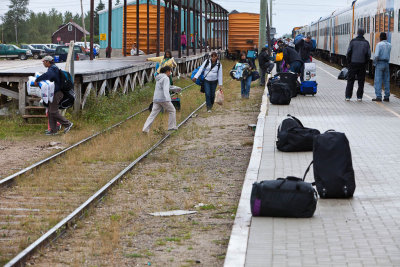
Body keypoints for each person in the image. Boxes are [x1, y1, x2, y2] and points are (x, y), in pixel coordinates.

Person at [34, 56, 73, 136]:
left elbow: (48, 75)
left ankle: (67, 124)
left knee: (53, 111)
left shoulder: (53, 69)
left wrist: (37, 80)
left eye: (44, 62)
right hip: (53, 93)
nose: (43, 63)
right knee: (51, 111)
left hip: (57, 93)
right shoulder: (53, 68)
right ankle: (53, 130)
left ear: (48, 62)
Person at [142, 66, 177, 133]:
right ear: (167, 71)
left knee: (152, 114)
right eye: (170, 71)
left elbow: (161, 88)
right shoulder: (166, 78)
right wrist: (168, 99)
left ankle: (145, 129)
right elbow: (165, 89)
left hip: (156, 98)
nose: (170, 73)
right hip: (163, 98)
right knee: (172, 110)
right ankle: (171, 127)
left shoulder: (158, 78)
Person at [345, 28, 371, 101]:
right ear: (363, 33)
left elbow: (348, 53)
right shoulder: (366, 43)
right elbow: (368, 54)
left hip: (353, 64)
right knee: (361, 81)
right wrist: (365, 62)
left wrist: (349, 62)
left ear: (357, 33)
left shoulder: (352, 42)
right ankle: (359, 97)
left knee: (350, 80)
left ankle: (348, 96)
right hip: (362, 64)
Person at [372, 32, 392, 102]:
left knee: (378, 80)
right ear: (386, 37)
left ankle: (378, 96)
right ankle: (387, 96)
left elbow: (376, 55)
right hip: (387, 63)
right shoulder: (389, 45)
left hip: (380, 63)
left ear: (380, 38)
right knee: (386, 80)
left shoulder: (379, 44)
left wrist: (374, 63)